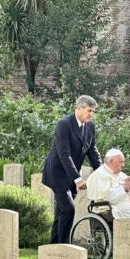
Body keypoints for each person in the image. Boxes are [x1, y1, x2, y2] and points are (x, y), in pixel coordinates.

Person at [42, 95, 103, 244]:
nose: (91, 114)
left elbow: (92, 152)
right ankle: (65, 248)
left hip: (71, 176)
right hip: (57, 174)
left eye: (93, 111)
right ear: (79, 108)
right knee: (69, 209)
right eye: (89, 110)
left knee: (61, 213)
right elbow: (64, 154)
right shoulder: (64, 124)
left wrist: (103, 172)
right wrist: (78, 179)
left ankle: (53, 247)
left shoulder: (90, 126)